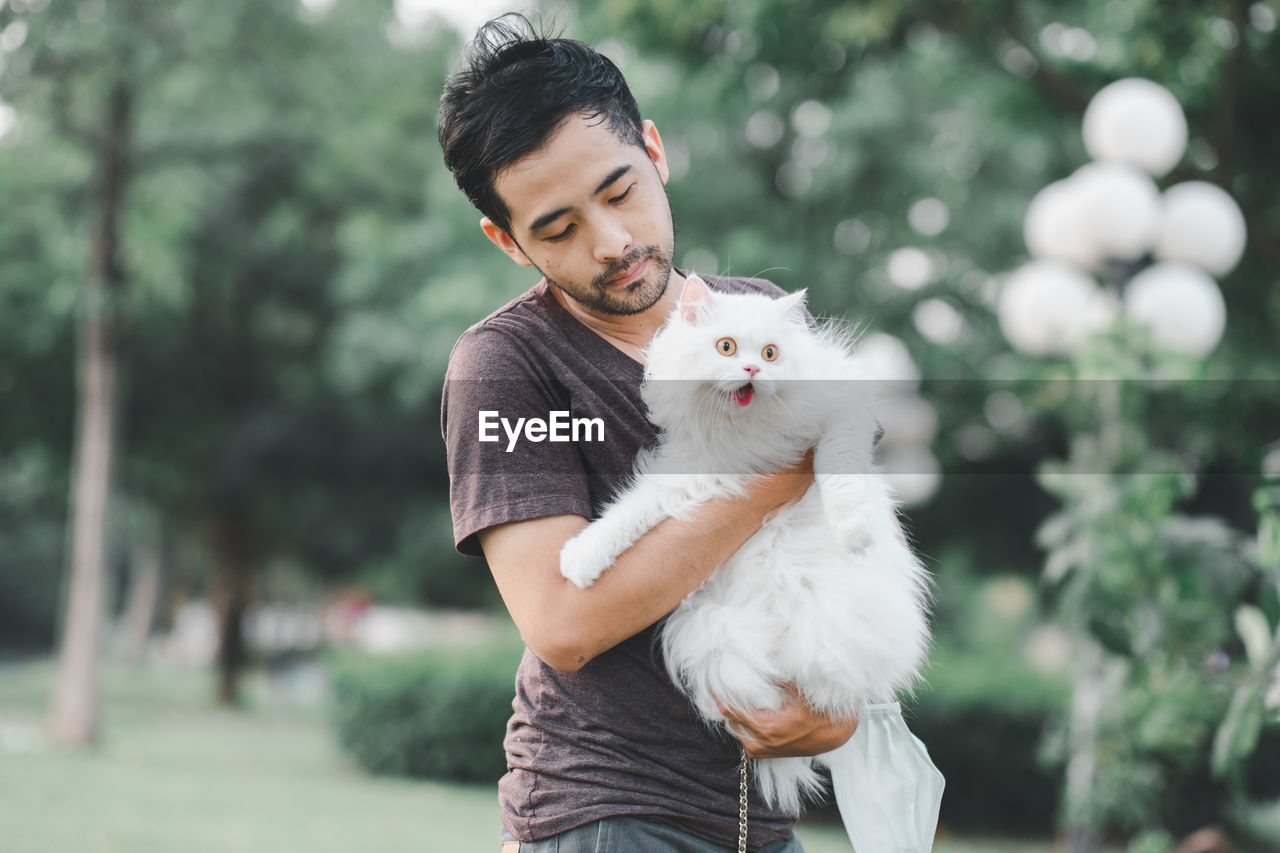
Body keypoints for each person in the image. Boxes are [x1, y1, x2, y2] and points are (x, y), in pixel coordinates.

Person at [438, 15, 858, 852]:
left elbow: (842, 545)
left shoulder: (757, 313)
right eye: (558, 229)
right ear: (506, 240)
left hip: (761, 815)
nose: (614, 242)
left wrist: (838, 713)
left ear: (656, 151)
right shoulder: (506, 363)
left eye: (621, 190)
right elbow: (562, 621)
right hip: (606, 809)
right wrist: (781, 469)